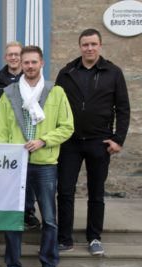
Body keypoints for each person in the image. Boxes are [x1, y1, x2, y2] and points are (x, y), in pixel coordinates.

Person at [0, 46, 74, 267]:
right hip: (16, 165)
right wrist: (8, 155)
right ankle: (12, 266)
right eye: (25, 62)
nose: (29, 66)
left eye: (33, 62)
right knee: (14, 218)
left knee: (49, 218)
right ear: (20, 64)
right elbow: (2, 131)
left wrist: (44, 141)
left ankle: (49, 266)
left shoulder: (56, 92)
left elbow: (67, 126)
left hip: (45, 164)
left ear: (41, 63)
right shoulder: (9, 93)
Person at [56, 28, 130, 255]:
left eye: (93, 44)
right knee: (65, 191)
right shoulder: (67, 71)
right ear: (80, 46)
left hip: (100, 142)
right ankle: (64, 238)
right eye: (85, 44)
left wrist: (118, 140)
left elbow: (123, 108)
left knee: (96, 192)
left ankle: (94, 237)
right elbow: (56, 106)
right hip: (70, 142)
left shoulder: (113, 72)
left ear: (100, 45)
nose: (89, 48)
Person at [0, 41, 41, 230]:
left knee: (28, 179)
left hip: (29, 137)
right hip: (8, 135)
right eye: (10, 54)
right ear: (6, 58)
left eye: (17, 54)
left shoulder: (32, 80)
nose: (13, 57)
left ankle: (28, 211)